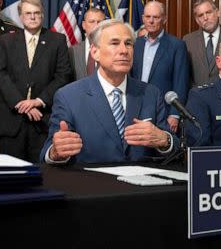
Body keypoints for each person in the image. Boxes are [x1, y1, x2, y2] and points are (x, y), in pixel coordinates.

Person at [40, 19, 176, 164]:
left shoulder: (150, 93)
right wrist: (56, 152)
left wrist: (165, 140)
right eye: (114, 43)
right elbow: (48, 153)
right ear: (95, 52)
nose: (124, 51)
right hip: (93, 182)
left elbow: (173, 147)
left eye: (128, 43)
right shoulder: (69, 96)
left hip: (145, 183)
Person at [0, 0, 71, 162]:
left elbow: (63, 75)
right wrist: (23, 104)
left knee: (43, 174)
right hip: (12, 121)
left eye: (37, 13)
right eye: (28, 13)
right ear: (21, 17)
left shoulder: (57, 40)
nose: (33, 17)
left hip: (42, 121)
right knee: (9, 174)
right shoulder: (6, 41)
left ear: (42, 15)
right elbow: (0, 75)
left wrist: (38, 101)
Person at [131, 1, 190, 132]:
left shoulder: (177, 45)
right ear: (143, 18)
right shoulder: (135, 44)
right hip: (135, 108)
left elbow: (180, 82)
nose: (151, 21)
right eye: (148, 17)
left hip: (163, 110)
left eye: (156, 17)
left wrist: (175, 114)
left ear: (164, 19)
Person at [183, 0, 221, 87]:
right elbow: (185, 74)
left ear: (217, 12)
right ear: (197, 20)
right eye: (200, 15)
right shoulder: (188, 40)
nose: (205, 18)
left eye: (208, 12)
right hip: (198, 97)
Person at [69, 8, 106, 80]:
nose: (96, 25)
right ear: (84, 25)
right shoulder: (72, 51)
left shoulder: (112, 50)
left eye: (100, 22)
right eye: (92, 22)